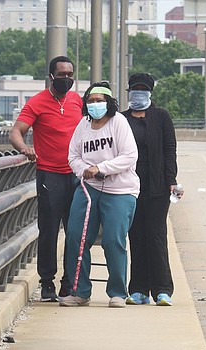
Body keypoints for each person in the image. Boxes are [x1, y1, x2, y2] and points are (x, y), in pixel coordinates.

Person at [9, 56, 83, 302]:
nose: (66, 79)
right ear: (51, 76)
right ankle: (47, 282)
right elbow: (16, 131)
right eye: (61, 74)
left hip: (75, 174)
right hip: (49, 174)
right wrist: (25, 149)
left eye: (70, 74)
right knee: (49, 230)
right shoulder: (37, 103)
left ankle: (69, 282)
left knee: (75, 231)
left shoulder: (77, 101)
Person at [60, 82, 139, 308]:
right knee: (76, 236)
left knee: (113, 240)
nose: (95, 104)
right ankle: (80, 291)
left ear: (110, 103)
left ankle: (117, 292)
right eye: (91, 101)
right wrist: (84, 170)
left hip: (120, 190)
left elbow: (129, 156)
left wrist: (102, 168)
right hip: (89, 188)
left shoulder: (119, 123)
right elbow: (73, 155)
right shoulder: (83, 126)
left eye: (100, 100)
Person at [121, 72, 183, 306]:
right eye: (135, 89)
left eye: (142, 89)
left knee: (156, 236)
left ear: (149, 92)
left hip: (157, 188)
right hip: (129, 187)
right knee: (136, 237)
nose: (138, 93)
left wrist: (172, 180)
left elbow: (169, 150)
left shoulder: (161, 117)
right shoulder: (122, 119)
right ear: (129, 92)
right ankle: (138, 289)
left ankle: (162, 289)